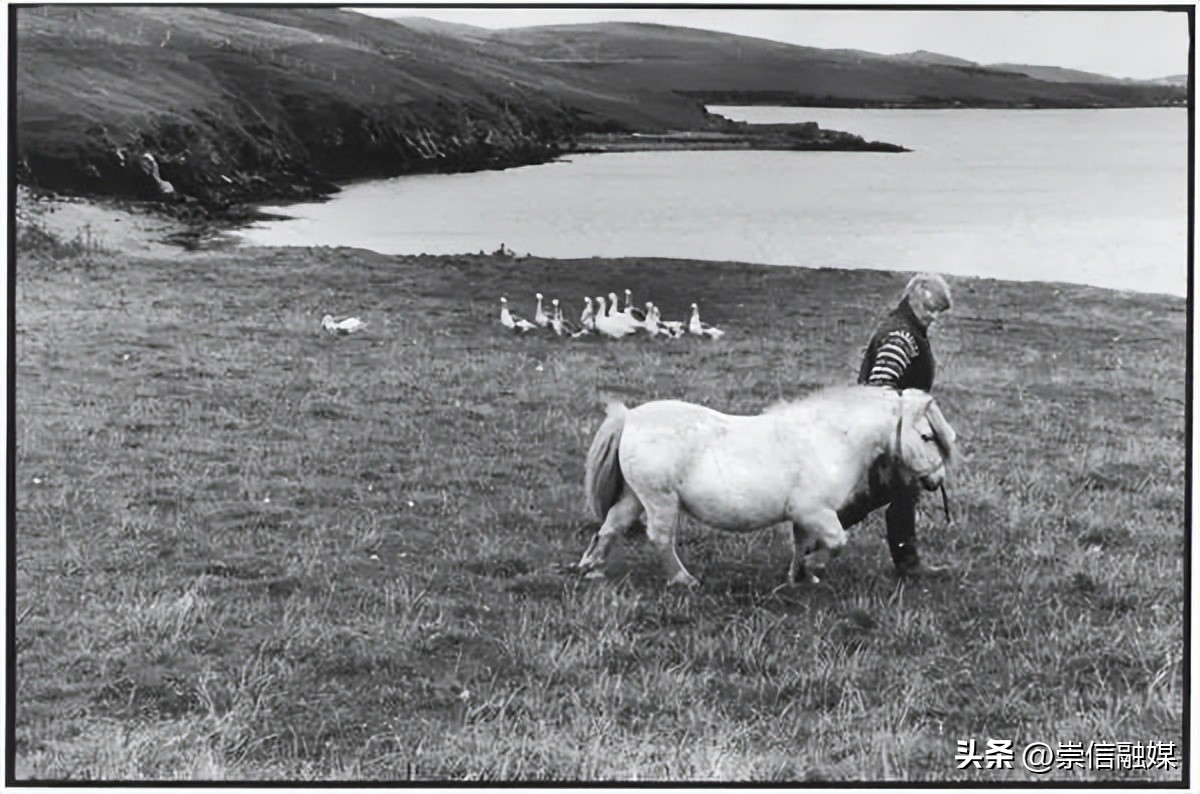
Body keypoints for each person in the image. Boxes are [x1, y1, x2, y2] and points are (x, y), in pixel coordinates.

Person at [851, 273, 953, 578]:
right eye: (930, 307)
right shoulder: (901, 336)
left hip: (892, 427)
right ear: (914, 296)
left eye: (938, 311)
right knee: (901, 488)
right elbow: (880, 386)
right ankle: (909, 565)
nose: (933, 316)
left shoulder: (908, 329)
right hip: (888, 428)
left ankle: (816, 529)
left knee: (882, 492)